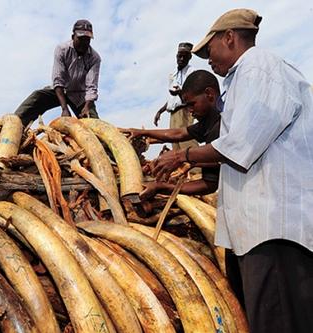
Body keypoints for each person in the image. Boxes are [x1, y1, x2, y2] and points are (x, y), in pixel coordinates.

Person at [152, 9, 313, 332]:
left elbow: (241, 143)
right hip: (256, 231)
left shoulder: (259, 68)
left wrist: (182, 158)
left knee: (279, 321)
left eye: (208, 50)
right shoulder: (243, 78)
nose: (206, 59)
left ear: (229, 38)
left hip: (273, 230)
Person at [129, 70, 221, 200]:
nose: (189, 111)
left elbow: (221, 158)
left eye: (191, 104)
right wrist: (144, 132)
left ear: (209, 94)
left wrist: (180, 157)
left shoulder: (227, 123)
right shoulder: (207, 124)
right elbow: (209, 184)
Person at [14, 19, 100, 126]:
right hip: (61, 90)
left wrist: (87, 106)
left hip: (80, 95)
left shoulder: (95, 58)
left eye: (87, 39)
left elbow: (91, 86)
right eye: (81, 38)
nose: (84, 43)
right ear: (73, 37)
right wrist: (64, 109)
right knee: (37, 97)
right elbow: (58, 79)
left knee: (94, 123)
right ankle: (14, 124)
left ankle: (101, 141)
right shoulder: (62, 49)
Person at [153, 42, 198, 150]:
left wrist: (180, 92)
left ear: (190, 57)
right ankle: (182, 167)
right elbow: (172, 98)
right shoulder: (173, 74)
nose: (181, 59)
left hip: (185, 110)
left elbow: (192, 94)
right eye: (179, 56)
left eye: (185, 56)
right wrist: (160, 111)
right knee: (175, 143)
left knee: (186, 142)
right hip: (173, 113)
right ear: (176, 56)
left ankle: (197, 167)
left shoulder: (192, 72)